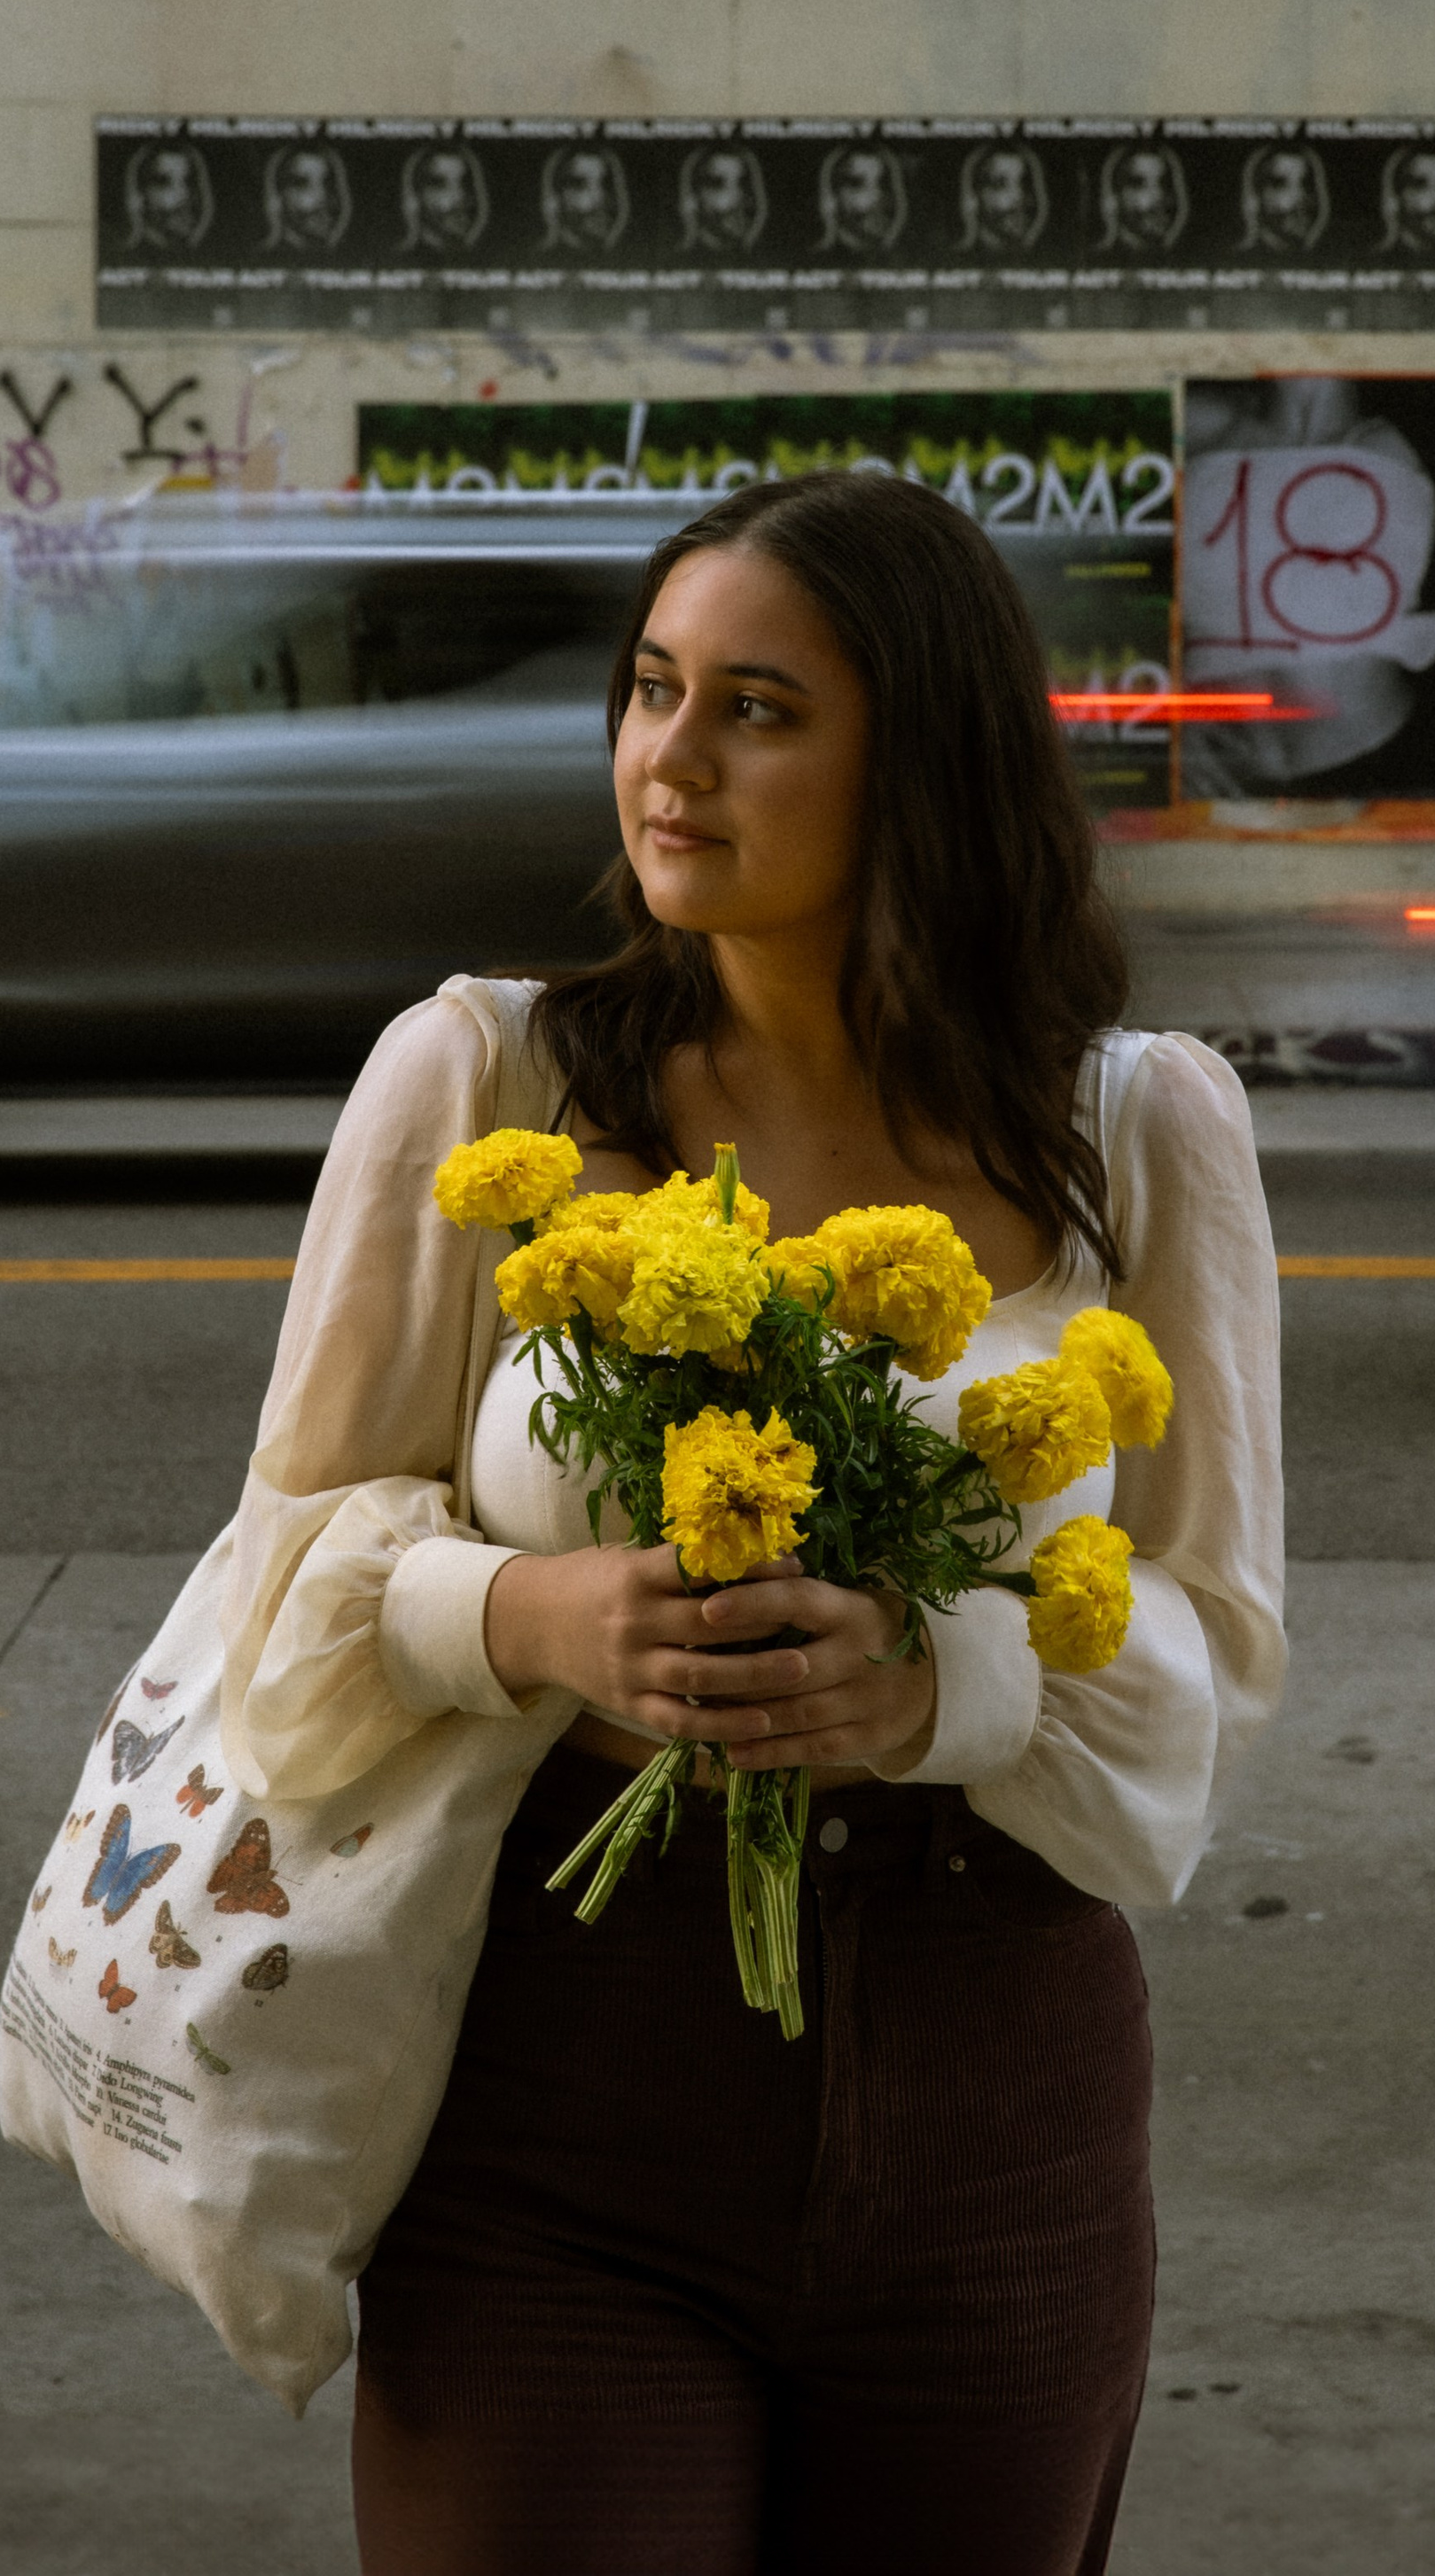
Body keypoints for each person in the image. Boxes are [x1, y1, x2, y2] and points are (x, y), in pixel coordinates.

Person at [218, 471, 1284, 2576]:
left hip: (1001, 2094)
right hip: (561, 2076)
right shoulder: (483, 1075)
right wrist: (524, 1610)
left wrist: (940, 1679)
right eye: (648, 687)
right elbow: (278, 1584)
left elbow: (1213, 1642)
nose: (667, 758)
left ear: (922, 757)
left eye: (756, 707)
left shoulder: (1137, 1127)